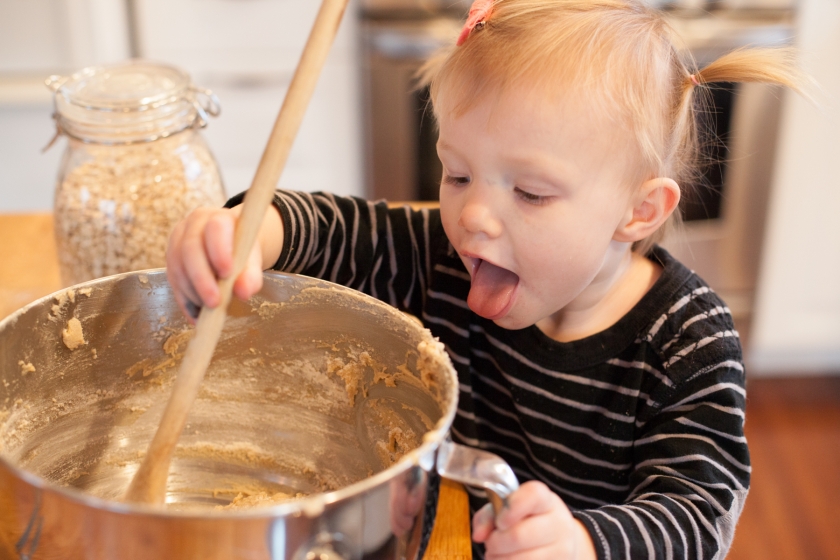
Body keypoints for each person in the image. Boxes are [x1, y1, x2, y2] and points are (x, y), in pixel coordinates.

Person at [166, 1, 804, 558]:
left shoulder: (686, 338)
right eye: (457, 174)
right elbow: (340, 231)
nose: (472, 215)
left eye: (528, 192)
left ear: (638, 212)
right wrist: (249, 231)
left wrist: (585, 543)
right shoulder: (444, 257)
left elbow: (700, 513)